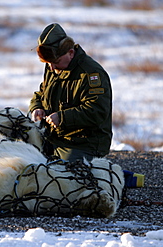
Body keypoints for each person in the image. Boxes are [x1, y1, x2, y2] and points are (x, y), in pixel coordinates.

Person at [29, 23, 113, 163]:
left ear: (71, 53)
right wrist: (37, 107)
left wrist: (63, 118)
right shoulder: (53, 67)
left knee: (60, 175)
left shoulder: (91, 73)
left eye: (56, 62)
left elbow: (97, 111)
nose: (51, 67)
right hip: (54, 138)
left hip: (84, 143)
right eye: (48, 63)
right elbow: (41, 93)